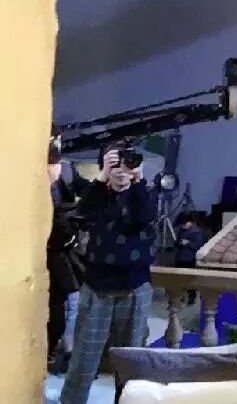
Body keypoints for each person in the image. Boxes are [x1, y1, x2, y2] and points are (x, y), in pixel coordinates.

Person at [60, 143, 157, 404]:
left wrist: (138, 180)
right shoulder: (97, 195)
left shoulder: (142, 193)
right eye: (115, 164)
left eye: (126, 163)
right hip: (97, 287)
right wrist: (102, 178)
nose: (120, 170)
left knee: (132, 364)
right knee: (83, 359)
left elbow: (144, 216)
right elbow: (81, 215)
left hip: (134, 287)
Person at [46, 138, 82, 375]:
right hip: (56, 252)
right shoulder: (49, 183)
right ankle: (62, 352)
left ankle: (60, 352)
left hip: (60, 252)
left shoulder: (63, 177)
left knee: (65, 305)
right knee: (67, 305)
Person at [174, 211, 205, 304]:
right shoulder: (181, 230)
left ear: (189, 222)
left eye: (183, 224)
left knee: (190, 279)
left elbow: (199, 246)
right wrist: (178, 243)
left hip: (190, 259)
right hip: (180, 257)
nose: (182, 226)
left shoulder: (196, 232)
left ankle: (191, 297)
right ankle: (181, 296)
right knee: (179, 279)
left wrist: (188, 243)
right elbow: (177, 241)